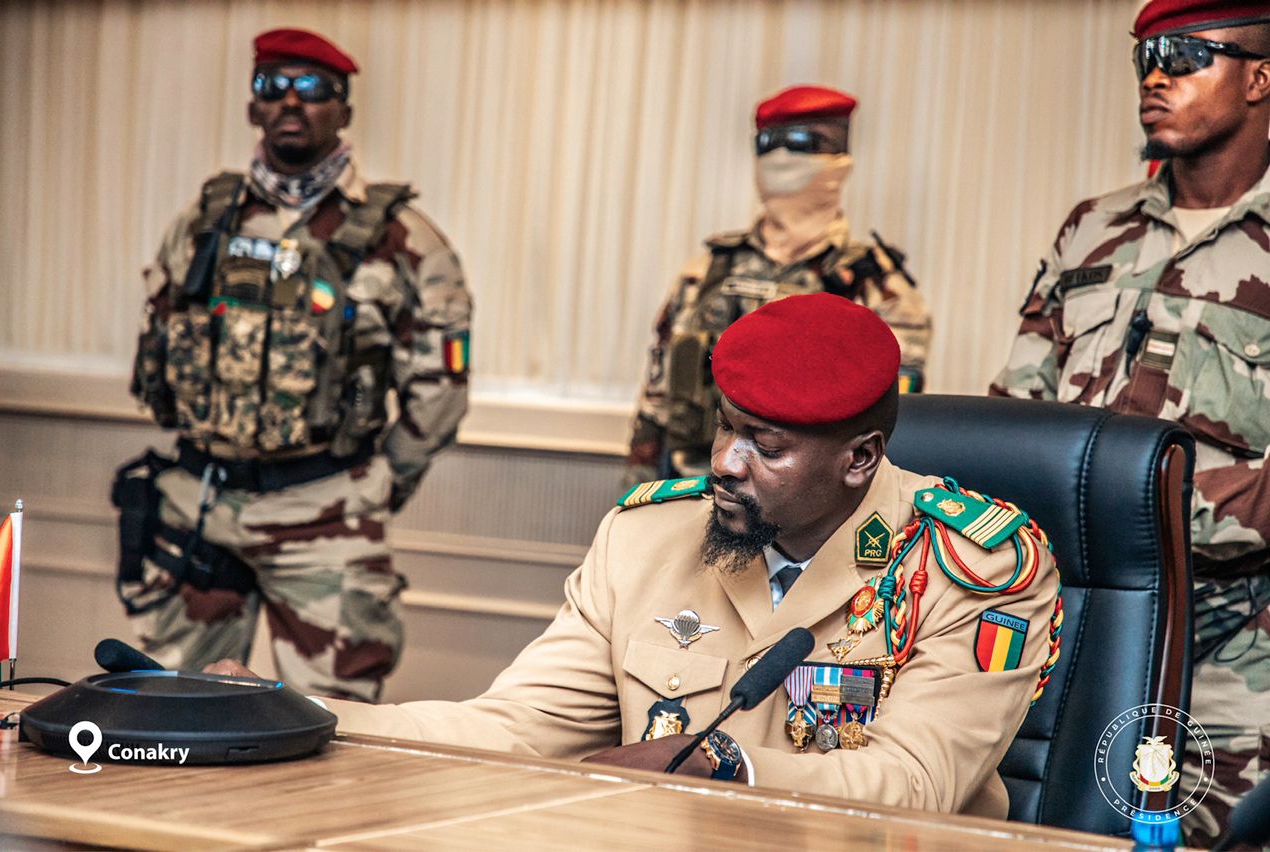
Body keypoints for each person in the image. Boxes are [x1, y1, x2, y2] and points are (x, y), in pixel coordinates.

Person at [210, 293, 1057, 815]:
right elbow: (511, 730)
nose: (726, 462)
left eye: (765, 445)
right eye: (725, 427)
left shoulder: (974, 565)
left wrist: (726, 765)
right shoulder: (647, 536)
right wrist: (297, 711)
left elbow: (914, 786)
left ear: (860, 459)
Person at [120, 28, 471, 703]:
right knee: (167, 710)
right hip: (199, 506)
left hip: (324, 516)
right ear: (251, 105)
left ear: (344, 109)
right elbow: (158, 338)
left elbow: (440, 393)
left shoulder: (402, 239)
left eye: (311, 88)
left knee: (329, 724)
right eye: (271, 85)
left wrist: (374, 486)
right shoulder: (203, 222)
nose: (290, 100)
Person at [989, 0, 1269, 843]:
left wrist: (1147, 513)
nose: (1155, 76)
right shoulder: (1093, 228)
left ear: (1259, 77)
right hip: (1069, 619)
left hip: (1234, 641)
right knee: (1049, 834)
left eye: (1184, 55)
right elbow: (1016, 420)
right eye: (1145, 56)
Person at [626, 85, 933, 484]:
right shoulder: (704, 274)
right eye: (767, 145)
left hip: (809, 504)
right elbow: (656, 402)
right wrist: (636, 493)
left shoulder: (877, 287)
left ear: (839, 165)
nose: (781, 158)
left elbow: (890, 427)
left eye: (803, 144)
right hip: (694, 486)